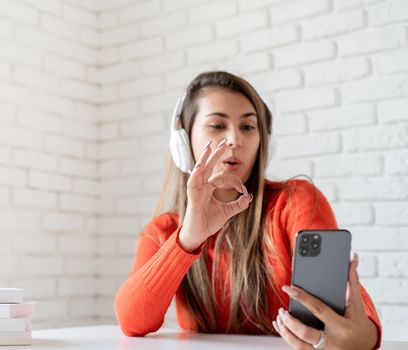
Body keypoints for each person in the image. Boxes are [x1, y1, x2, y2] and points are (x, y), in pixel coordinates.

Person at [115, 71, 381, 349]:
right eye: (217, 125)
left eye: (248, 127)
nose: (235, 140)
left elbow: (345, 300)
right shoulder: (164, 230)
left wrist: (365, 334)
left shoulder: (295, 201)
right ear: (182, 143)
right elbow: (132, 321)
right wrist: (188, 238)